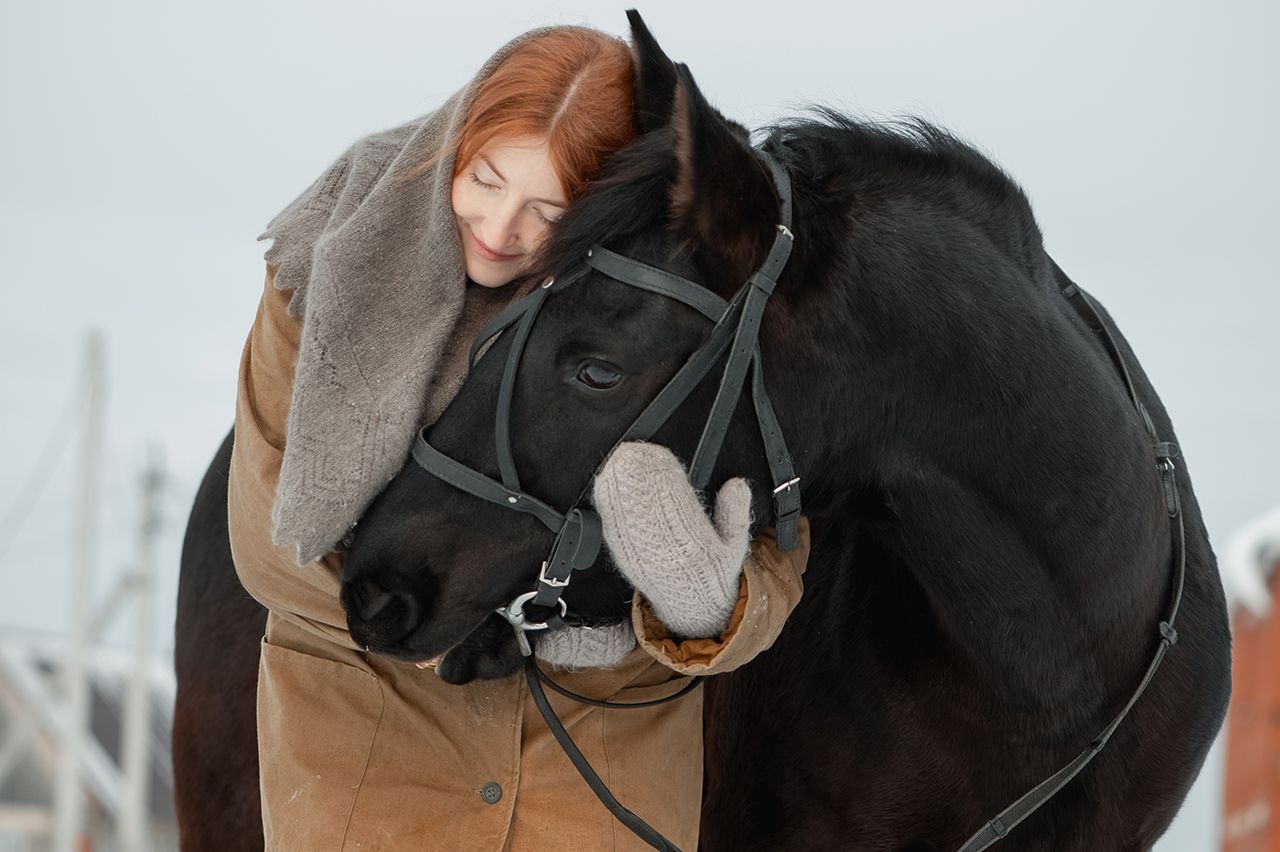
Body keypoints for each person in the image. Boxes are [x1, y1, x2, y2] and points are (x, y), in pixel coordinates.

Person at [226, 22, 811, 850]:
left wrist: (705, 605)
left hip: (598, 787)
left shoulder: (682, 316)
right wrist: (463, 629)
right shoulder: (330, 260)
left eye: (546, 211)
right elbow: (266, 538)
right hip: (377, 776)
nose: (499, 230)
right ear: (457, 147)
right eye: (485, 181)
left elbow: (779, 557)